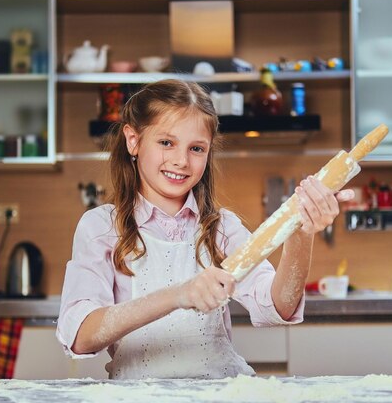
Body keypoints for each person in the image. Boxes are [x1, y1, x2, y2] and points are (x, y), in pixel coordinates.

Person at [56, 79, 353, 379]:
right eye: (166, 142)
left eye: (196, 148)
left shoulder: (221, 228)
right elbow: (80, 335)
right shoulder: (102, 228)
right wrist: (179, 295)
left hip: (222, 398)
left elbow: (280, 307)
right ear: (133, 140)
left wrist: (301, 234)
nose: (182, 161)